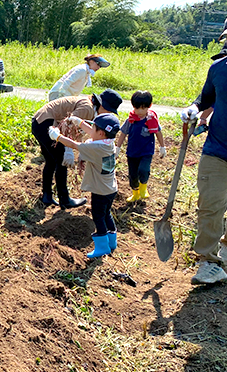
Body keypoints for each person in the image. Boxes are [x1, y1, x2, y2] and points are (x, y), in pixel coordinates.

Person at [180, 27, 227, 285]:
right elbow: (206, 97)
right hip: (217, 149)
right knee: (210, 204)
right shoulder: (219, 69)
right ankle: (209, 262)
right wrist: (194, 108)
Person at [31, 89, 123, 208]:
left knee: (51, 160)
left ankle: (47, 196)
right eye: (108, 110)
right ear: (101, 105)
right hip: (46, 123)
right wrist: (68, 150)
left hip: (40, 122)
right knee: (61, 160)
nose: (108, 114)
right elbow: (67, 125)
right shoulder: (87, 109)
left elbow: (77, 128)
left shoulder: (90, 108)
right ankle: (64, 199)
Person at [48, 113, 120, 258]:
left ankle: (102, 247)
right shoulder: (108, 142)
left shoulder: (96, 148)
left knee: (98, 217)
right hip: (110, 188)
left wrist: (57, 136)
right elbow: (95, 133)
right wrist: (79, 122)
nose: (90, 129)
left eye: (93, 127)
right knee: (106, 214)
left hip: (100, 190)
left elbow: (74, 145)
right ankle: (112, 242)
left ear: (100, 132)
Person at [115, 91, 166, 203]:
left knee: (144, 170)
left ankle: (143, 187)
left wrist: (162, 147)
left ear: (149, 106)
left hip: (146, 151)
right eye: (137, 108)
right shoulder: (130, 120)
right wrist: (117, 148)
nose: (140, 111)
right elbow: (123, 133)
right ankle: (135, 194)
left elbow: (158, 132)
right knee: (132, 175)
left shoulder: (151, 120)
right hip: (132, 152)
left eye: (143, 108)